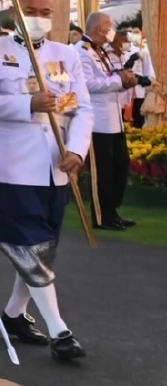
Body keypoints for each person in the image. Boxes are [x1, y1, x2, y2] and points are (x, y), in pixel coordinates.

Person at [0, 0, 92, 362]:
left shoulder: (66, 55)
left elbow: (82, 109)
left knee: (42, 250)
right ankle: (60, 331)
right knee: (29, 244)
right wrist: (28, 103)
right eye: (30, 11)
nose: (38, 18)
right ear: (14, 13)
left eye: (45, 12)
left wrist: (77, 150)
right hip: (9, 169)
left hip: (53, 167)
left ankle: (13, 314)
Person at [78, 11, 139, 230]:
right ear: (98, 28)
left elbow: (111, 77)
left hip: (114, 118)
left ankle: (112, 212)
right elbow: (88, 84)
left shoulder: (101, 50)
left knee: (119, 167)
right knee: (102, 172)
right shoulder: (82, 51)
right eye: (108, 25)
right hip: (97, 121)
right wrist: (118, 80)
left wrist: (126, 80)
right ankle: (101, 216)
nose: (111, 30)